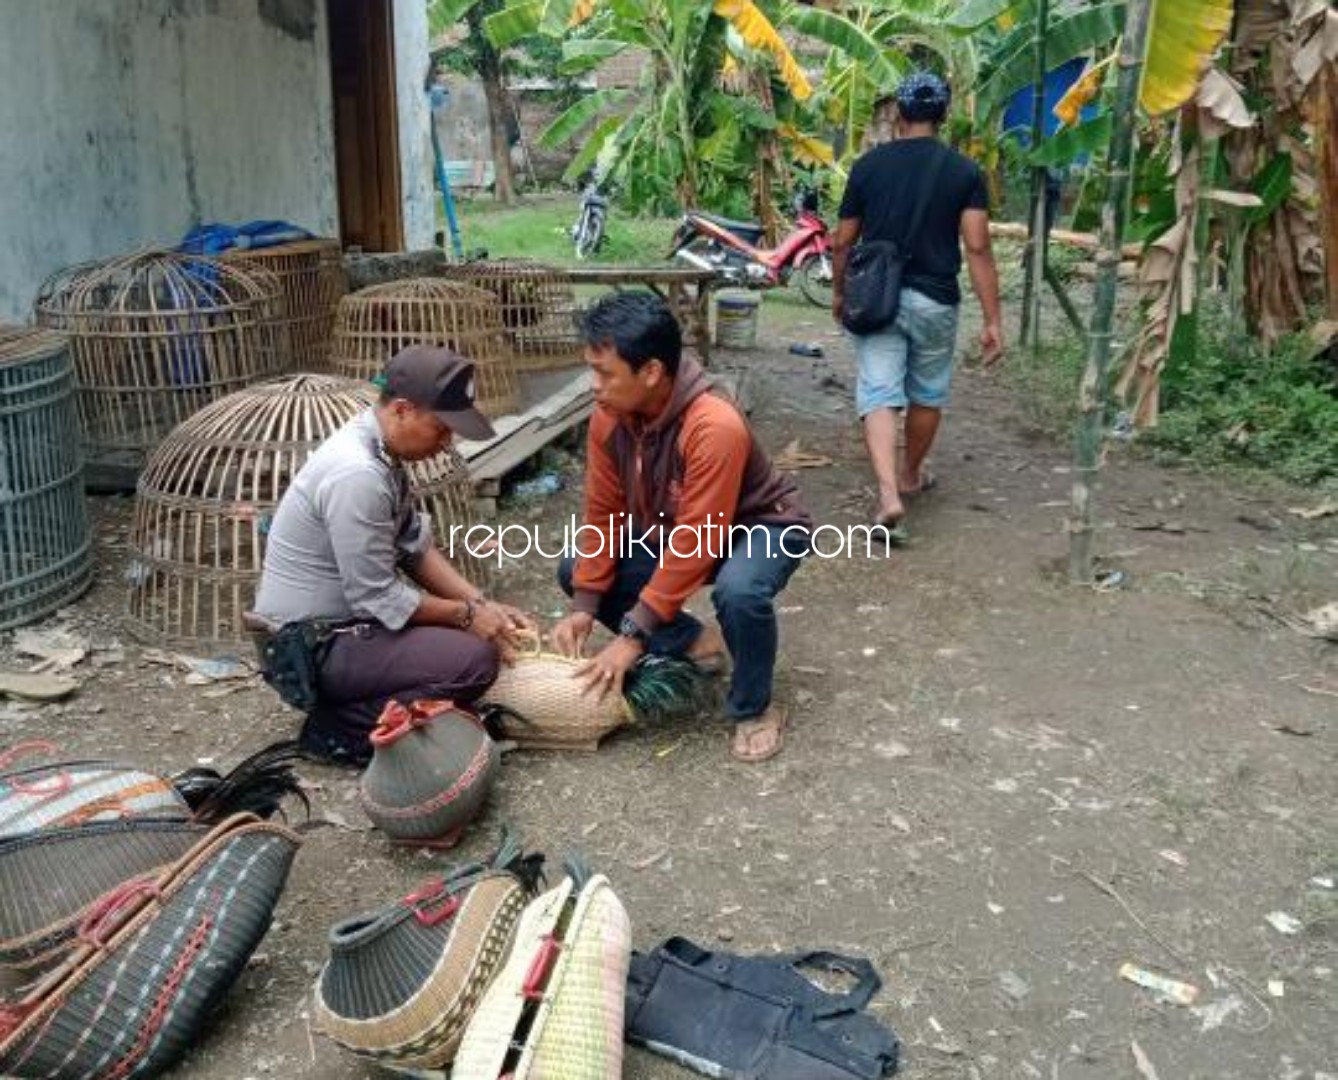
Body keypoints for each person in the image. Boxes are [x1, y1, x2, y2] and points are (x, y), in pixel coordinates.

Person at [550, 293, 812, 763]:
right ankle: (694, 642)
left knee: (740, 591)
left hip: (762, 525)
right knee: (577, 569)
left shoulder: (714, 425)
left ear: (651, 371)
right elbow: (604, 513)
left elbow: (699, 540)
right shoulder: (609, 418)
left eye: (605, 373)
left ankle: (755, 707)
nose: (594, 385)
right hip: (680, 529)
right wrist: (585, 605)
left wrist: (632, 637)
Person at [253, 344, 534, 764]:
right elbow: (377, 596)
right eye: (441, 428)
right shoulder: (357, 473)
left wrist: (480, 604)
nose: (447, 442)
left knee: (469, 639)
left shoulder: (379, 450)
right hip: (309, 648)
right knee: (474, 661)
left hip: (341, 630)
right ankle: (342, 728)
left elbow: (414, 548)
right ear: (402, 410)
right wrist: (467, 616)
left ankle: (410, 711)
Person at [832, 71, 1005, 532]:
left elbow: (843, 241)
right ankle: (909, 474)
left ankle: (888, 495)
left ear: (899, 113)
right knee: (927, 392)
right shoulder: (964, 172)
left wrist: (840, 291)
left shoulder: (868, 166)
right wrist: (992, 319)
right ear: (943, 115)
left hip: (877, 298)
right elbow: (977, 247)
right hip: (936, 298)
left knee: (878, 391)